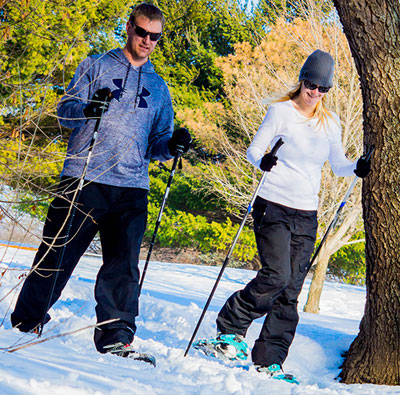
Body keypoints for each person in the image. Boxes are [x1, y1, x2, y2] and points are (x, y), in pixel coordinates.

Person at [11, 3, 191, 355]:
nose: (147, 41)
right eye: (142, 32)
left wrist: (173, 145)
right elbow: (65, 112)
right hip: (84, 178)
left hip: (132, 187)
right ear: (129, 28)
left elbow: (157, 144)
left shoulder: (158, 87)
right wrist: (88, 108)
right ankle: (26, 321)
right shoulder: (95, 65)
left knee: (122, 268)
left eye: (155, 36)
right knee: (58, 256)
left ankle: (115, 337)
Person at [194, 50, 371, 382]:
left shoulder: (329, 122)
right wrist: (262, 161)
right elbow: (254, 149)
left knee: (291, 289)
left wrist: (356, 168)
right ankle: (229, 329)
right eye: (310, 84)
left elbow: (338, 164)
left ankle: (269, 358)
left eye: (322, 88)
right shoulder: (280, 112)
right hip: (273, 204)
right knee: (276, 275)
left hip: (307, 212)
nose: (314, 92)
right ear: (301, 80)